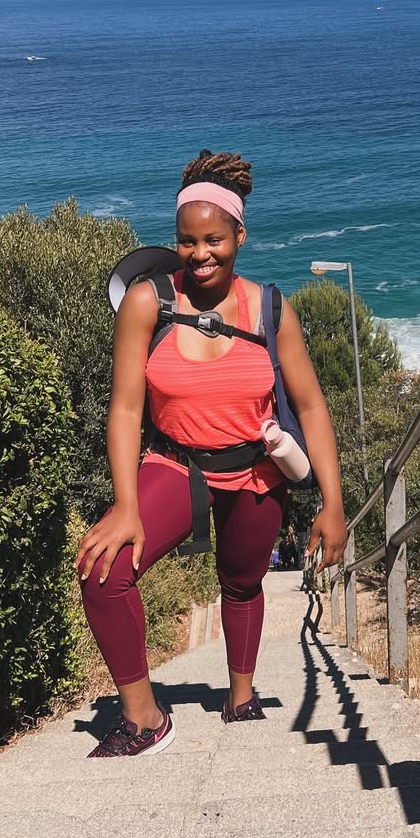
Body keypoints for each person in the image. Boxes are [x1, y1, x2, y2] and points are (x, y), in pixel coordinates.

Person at [75, 149, 347, 757]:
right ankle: (145, 720)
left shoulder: (271, 310)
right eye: (187, 241)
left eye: (215, 239)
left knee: (244, 582)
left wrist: (334, 502)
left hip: (255, 471)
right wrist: (125, 505)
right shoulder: (148, 302)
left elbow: (311, 408)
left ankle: (241, 696)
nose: (201, 254)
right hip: (174, 464)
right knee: (104, 570)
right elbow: (124, 409)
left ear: (240, 235)